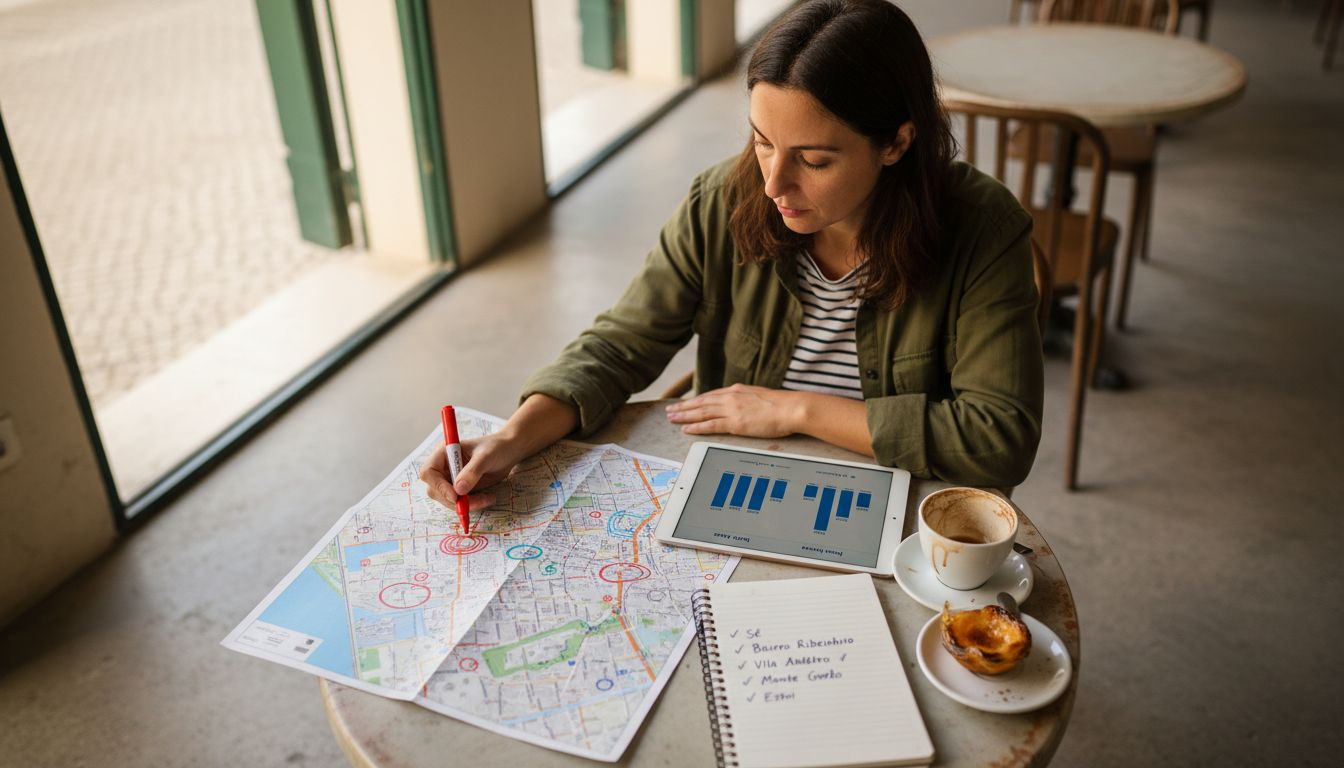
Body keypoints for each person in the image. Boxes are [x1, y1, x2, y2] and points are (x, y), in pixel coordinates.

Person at [422, 0, 1042, 515]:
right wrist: (511, 437)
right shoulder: (724, 198)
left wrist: (795, 409)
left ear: (896, 142)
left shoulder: (982, 229)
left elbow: (999, 438)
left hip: (898, 503)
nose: (773, 184)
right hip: (737, 493)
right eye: (762, 141)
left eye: (815, 160)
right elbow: (622, 343)